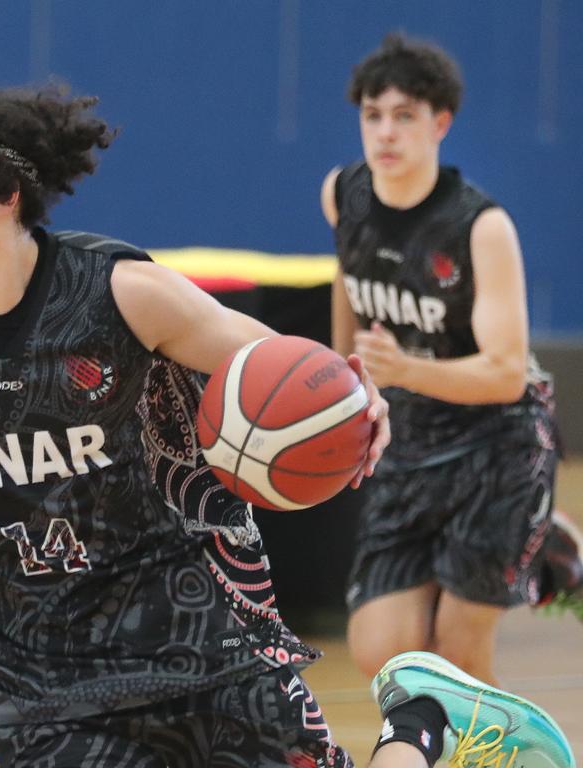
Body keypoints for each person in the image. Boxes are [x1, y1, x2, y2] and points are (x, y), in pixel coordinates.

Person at [0, 80, 572, 768]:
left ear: (3, 195)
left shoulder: (120, 293)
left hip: (193, 638)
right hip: (39, 673)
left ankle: (422, 719)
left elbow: (280, 361)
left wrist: (358, 401)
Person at [322, 32, 583, 688]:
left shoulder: (480, 227)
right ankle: (546, 547)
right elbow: (346, 276)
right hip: (411, 442)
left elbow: (503, 373)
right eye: (372, 116)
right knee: (384, 653)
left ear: (440, 123)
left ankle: (536, 547)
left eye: (404, 116)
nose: (385, 133)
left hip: (498, 445)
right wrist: (336, 375)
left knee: (458, 653)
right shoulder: (343, 194)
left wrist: (404, 369)